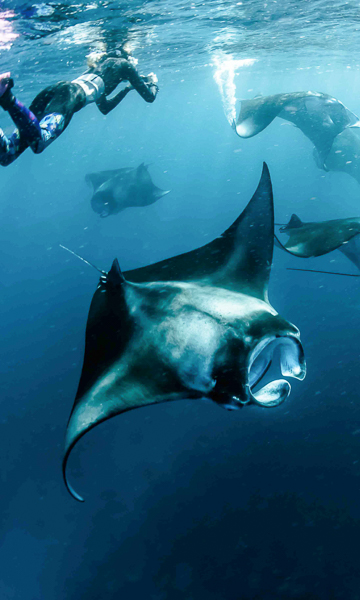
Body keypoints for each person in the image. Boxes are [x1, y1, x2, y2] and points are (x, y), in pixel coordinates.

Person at [0, 50, 159, 166]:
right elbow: (149, 97)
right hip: (70, 96)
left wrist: (126, 89)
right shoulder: (126, 66)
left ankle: (6, 99)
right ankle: (7, 98)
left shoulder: (101, 66)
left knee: (8, 154)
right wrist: (153, 83)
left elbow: (104, 108)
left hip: (57, 89)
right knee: (39, 143)